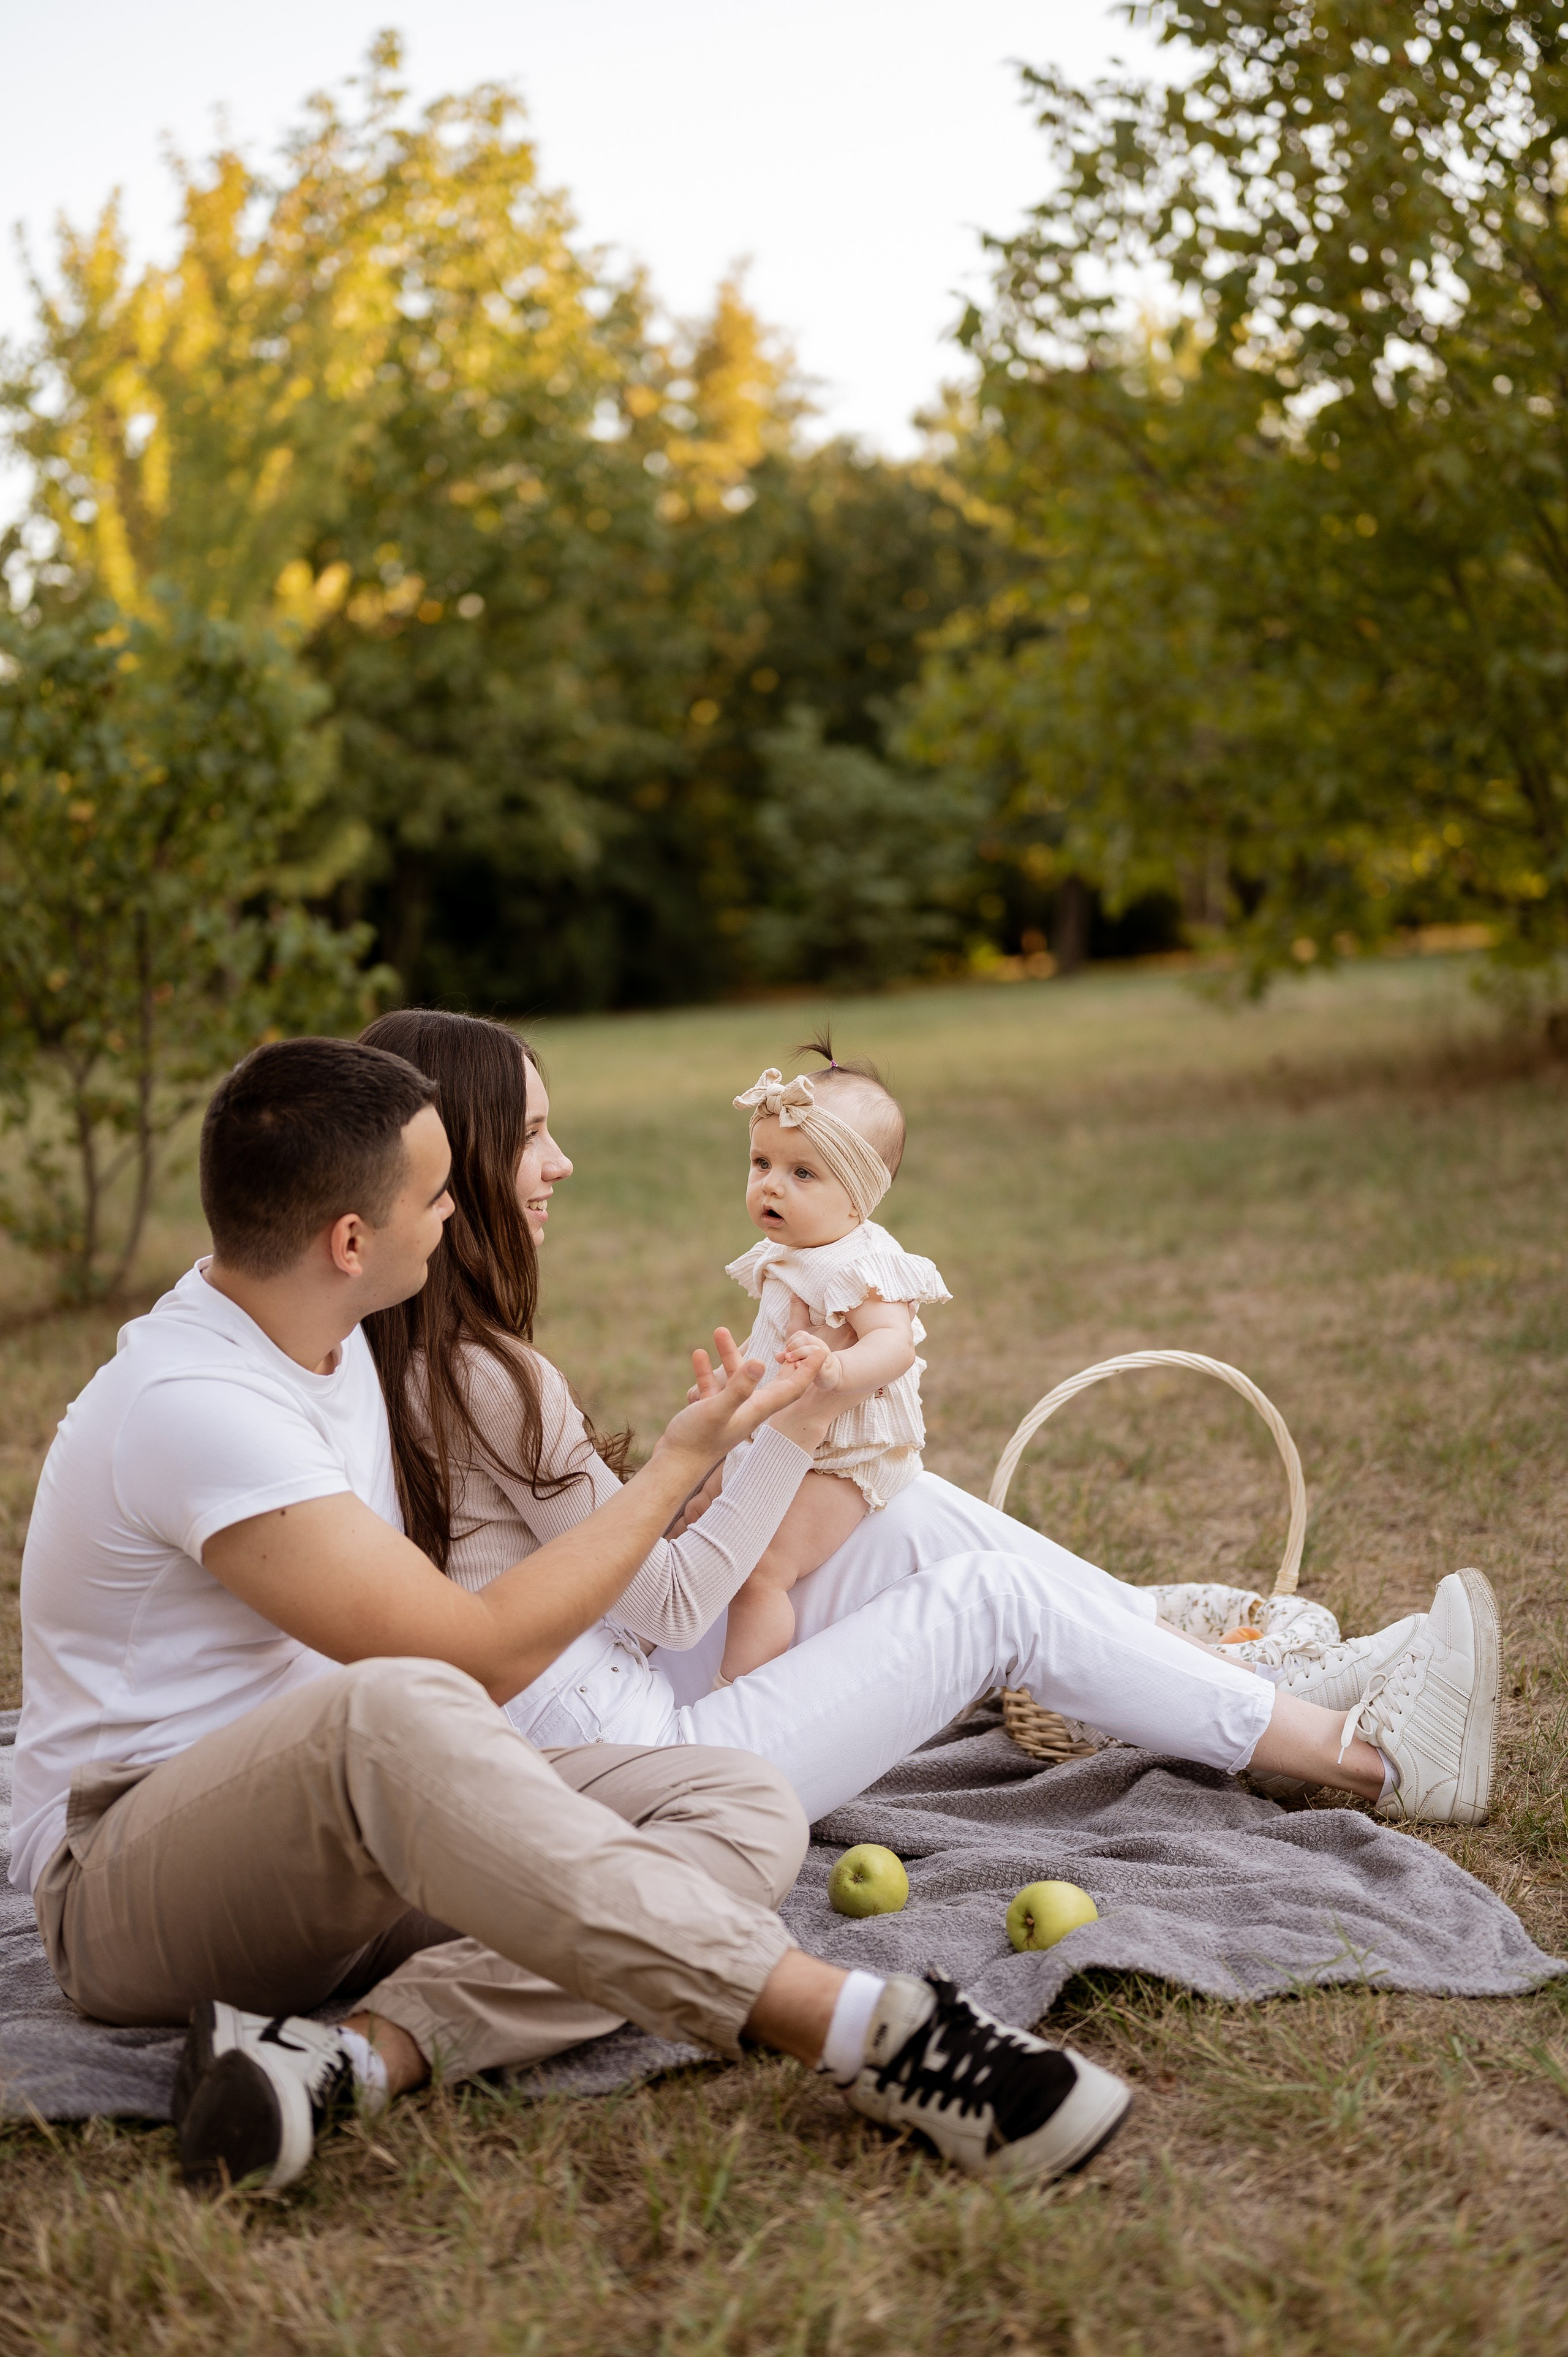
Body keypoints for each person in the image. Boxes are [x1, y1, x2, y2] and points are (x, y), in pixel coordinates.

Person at [9, 1036, 1140, 2195]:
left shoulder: (321, 1327)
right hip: (133, 1883)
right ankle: (871, 2031)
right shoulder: (197, 1403)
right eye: (439, 1193)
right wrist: (679, 1464)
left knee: (740, 1802)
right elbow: (474, 1651)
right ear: (350, 1241)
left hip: (336, 1855)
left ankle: (351, 2057)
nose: (462, 1208)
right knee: (395, 1702)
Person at [358, 1010, 1501, 1836]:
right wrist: (791, 1425)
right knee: (989, 1598)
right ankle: (1370, 1760)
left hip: (610, 1691)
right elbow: (675, 1596)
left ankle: (1281, 1681)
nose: (563, 1160)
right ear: (452, 1159)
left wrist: (743, 1448)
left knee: (899, 1510)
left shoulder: (405, 1349)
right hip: (650, 1767)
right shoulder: (481, 1377)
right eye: (532, 1135)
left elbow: (610, 1575)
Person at [715, 1048, 949, 1684]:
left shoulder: (864, 1262)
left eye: (802, 1173)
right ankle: (660, 1628)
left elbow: (893, 1345)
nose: (770, 1184)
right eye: (761, 1162)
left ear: (858, 1197)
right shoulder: (790, 1249)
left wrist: (837, 1367)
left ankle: (739, 1689)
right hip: (783, 1434)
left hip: (846, 1457)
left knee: (762, 1567)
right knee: (702, 1506)